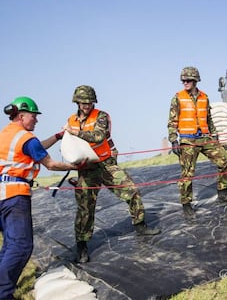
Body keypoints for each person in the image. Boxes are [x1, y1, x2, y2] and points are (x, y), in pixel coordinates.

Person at [63, 85, 160, 264]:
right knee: (85, 207)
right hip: (86, 169)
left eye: (89, 102)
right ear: (77, 102)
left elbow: (99, 137)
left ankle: (140, 225)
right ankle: (82, 245)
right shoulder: (71, 120)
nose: (86, 105)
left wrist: (75, 132)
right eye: (83, 102)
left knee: (131, 191)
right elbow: (69, 144)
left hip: (106, 165)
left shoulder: (101, 116)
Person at [0, 96, 81, 300]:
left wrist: (57, 136)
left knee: (10, 245)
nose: (36, 120)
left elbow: (36, 148)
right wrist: (76, 166)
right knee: (21, 245)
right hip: (14, 195)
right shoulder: (26, 138)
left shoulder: (8, 134)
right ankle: (3, 294)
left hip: (2, 192)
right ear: (21, 116)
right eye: (33, 117)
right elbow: (51, 164)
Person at [167, 67, 227, 219]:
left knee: (224, 161)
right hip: (187, 140)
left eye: (188, 80)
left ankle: (223, 192)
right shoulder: (177, 98)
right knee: (187, 173)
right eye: (183, 80)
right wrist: (174, 140)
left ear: (195, 81)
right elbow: (172, 121)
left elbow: (209, 119)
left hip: (205, 138)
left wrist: (215, 136)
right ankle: (186, 205)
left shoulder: (204, 97)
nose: (185, 83)